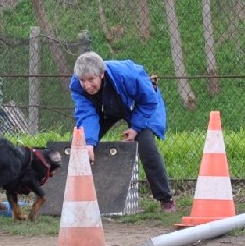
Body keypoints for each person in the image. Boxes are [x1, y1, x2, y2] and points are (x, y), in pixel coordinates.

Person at [69, 51, 176, 212]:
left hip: (138, 106)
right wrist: (89, 142)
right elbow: (86, 114)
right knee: (81, 144)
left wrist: (135, 128)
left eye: (91, 80)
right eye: (83, 81)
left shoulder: (127, 75)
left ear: (102, 74)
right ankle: (78, 198)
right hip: (105, 109)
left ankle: (165, 198)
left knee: (147, 145)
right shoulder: (77, 86)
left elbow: (149, 101)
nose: (87, 86)